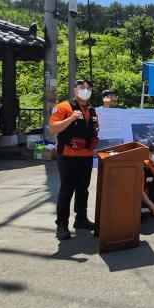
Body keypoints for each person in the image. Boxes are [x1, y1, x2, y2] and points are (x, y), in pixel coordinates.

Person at [49, 79, 99, 240]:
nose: (86, 90)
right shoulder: (63, 107)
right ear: (75, 90)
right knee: (67, 190)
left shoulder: (92, 110)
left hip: (86, 156)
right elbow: (53, 128)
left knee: (83, 189)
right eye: (82, 87)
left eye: (89, 88)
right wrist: (71, 118)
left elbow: (94, 130)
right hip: (68, 156)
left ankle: (81, 218)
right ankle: (62, 224)